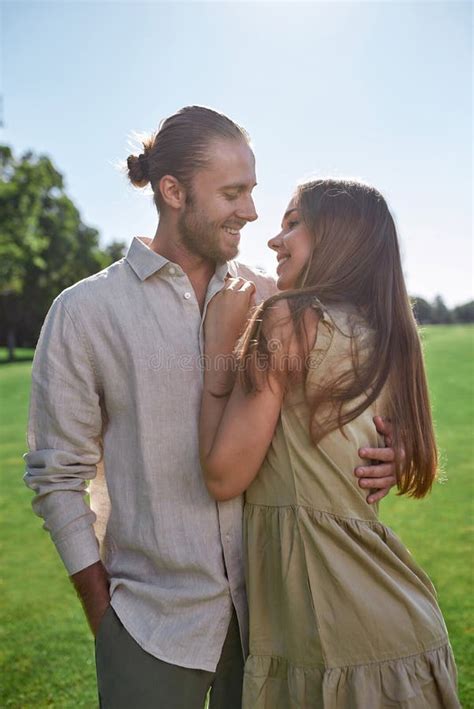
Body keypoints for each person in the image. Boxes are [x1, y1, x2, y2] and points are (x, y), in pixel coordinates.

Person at [24, 108, 397, 709]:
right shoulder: (84, 312)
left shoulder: (274, 297)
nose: (251, 211)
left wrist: (392, 447)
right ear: (173, 192)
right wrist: (107, 619)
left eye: (252, 190)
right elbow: (56, 476)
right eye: (232, 193)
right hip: (149, 628)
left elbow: (360, 369)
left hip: (273, 624)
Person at [199, 178, 460, 708]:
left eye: (293, 223)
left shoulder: (288, 319)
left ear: (339, 238)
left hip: (335, 642)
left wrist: (216, 356)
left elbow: (222, 474)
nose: (274, 239)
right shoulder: (381, 333)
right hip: (398, 633)